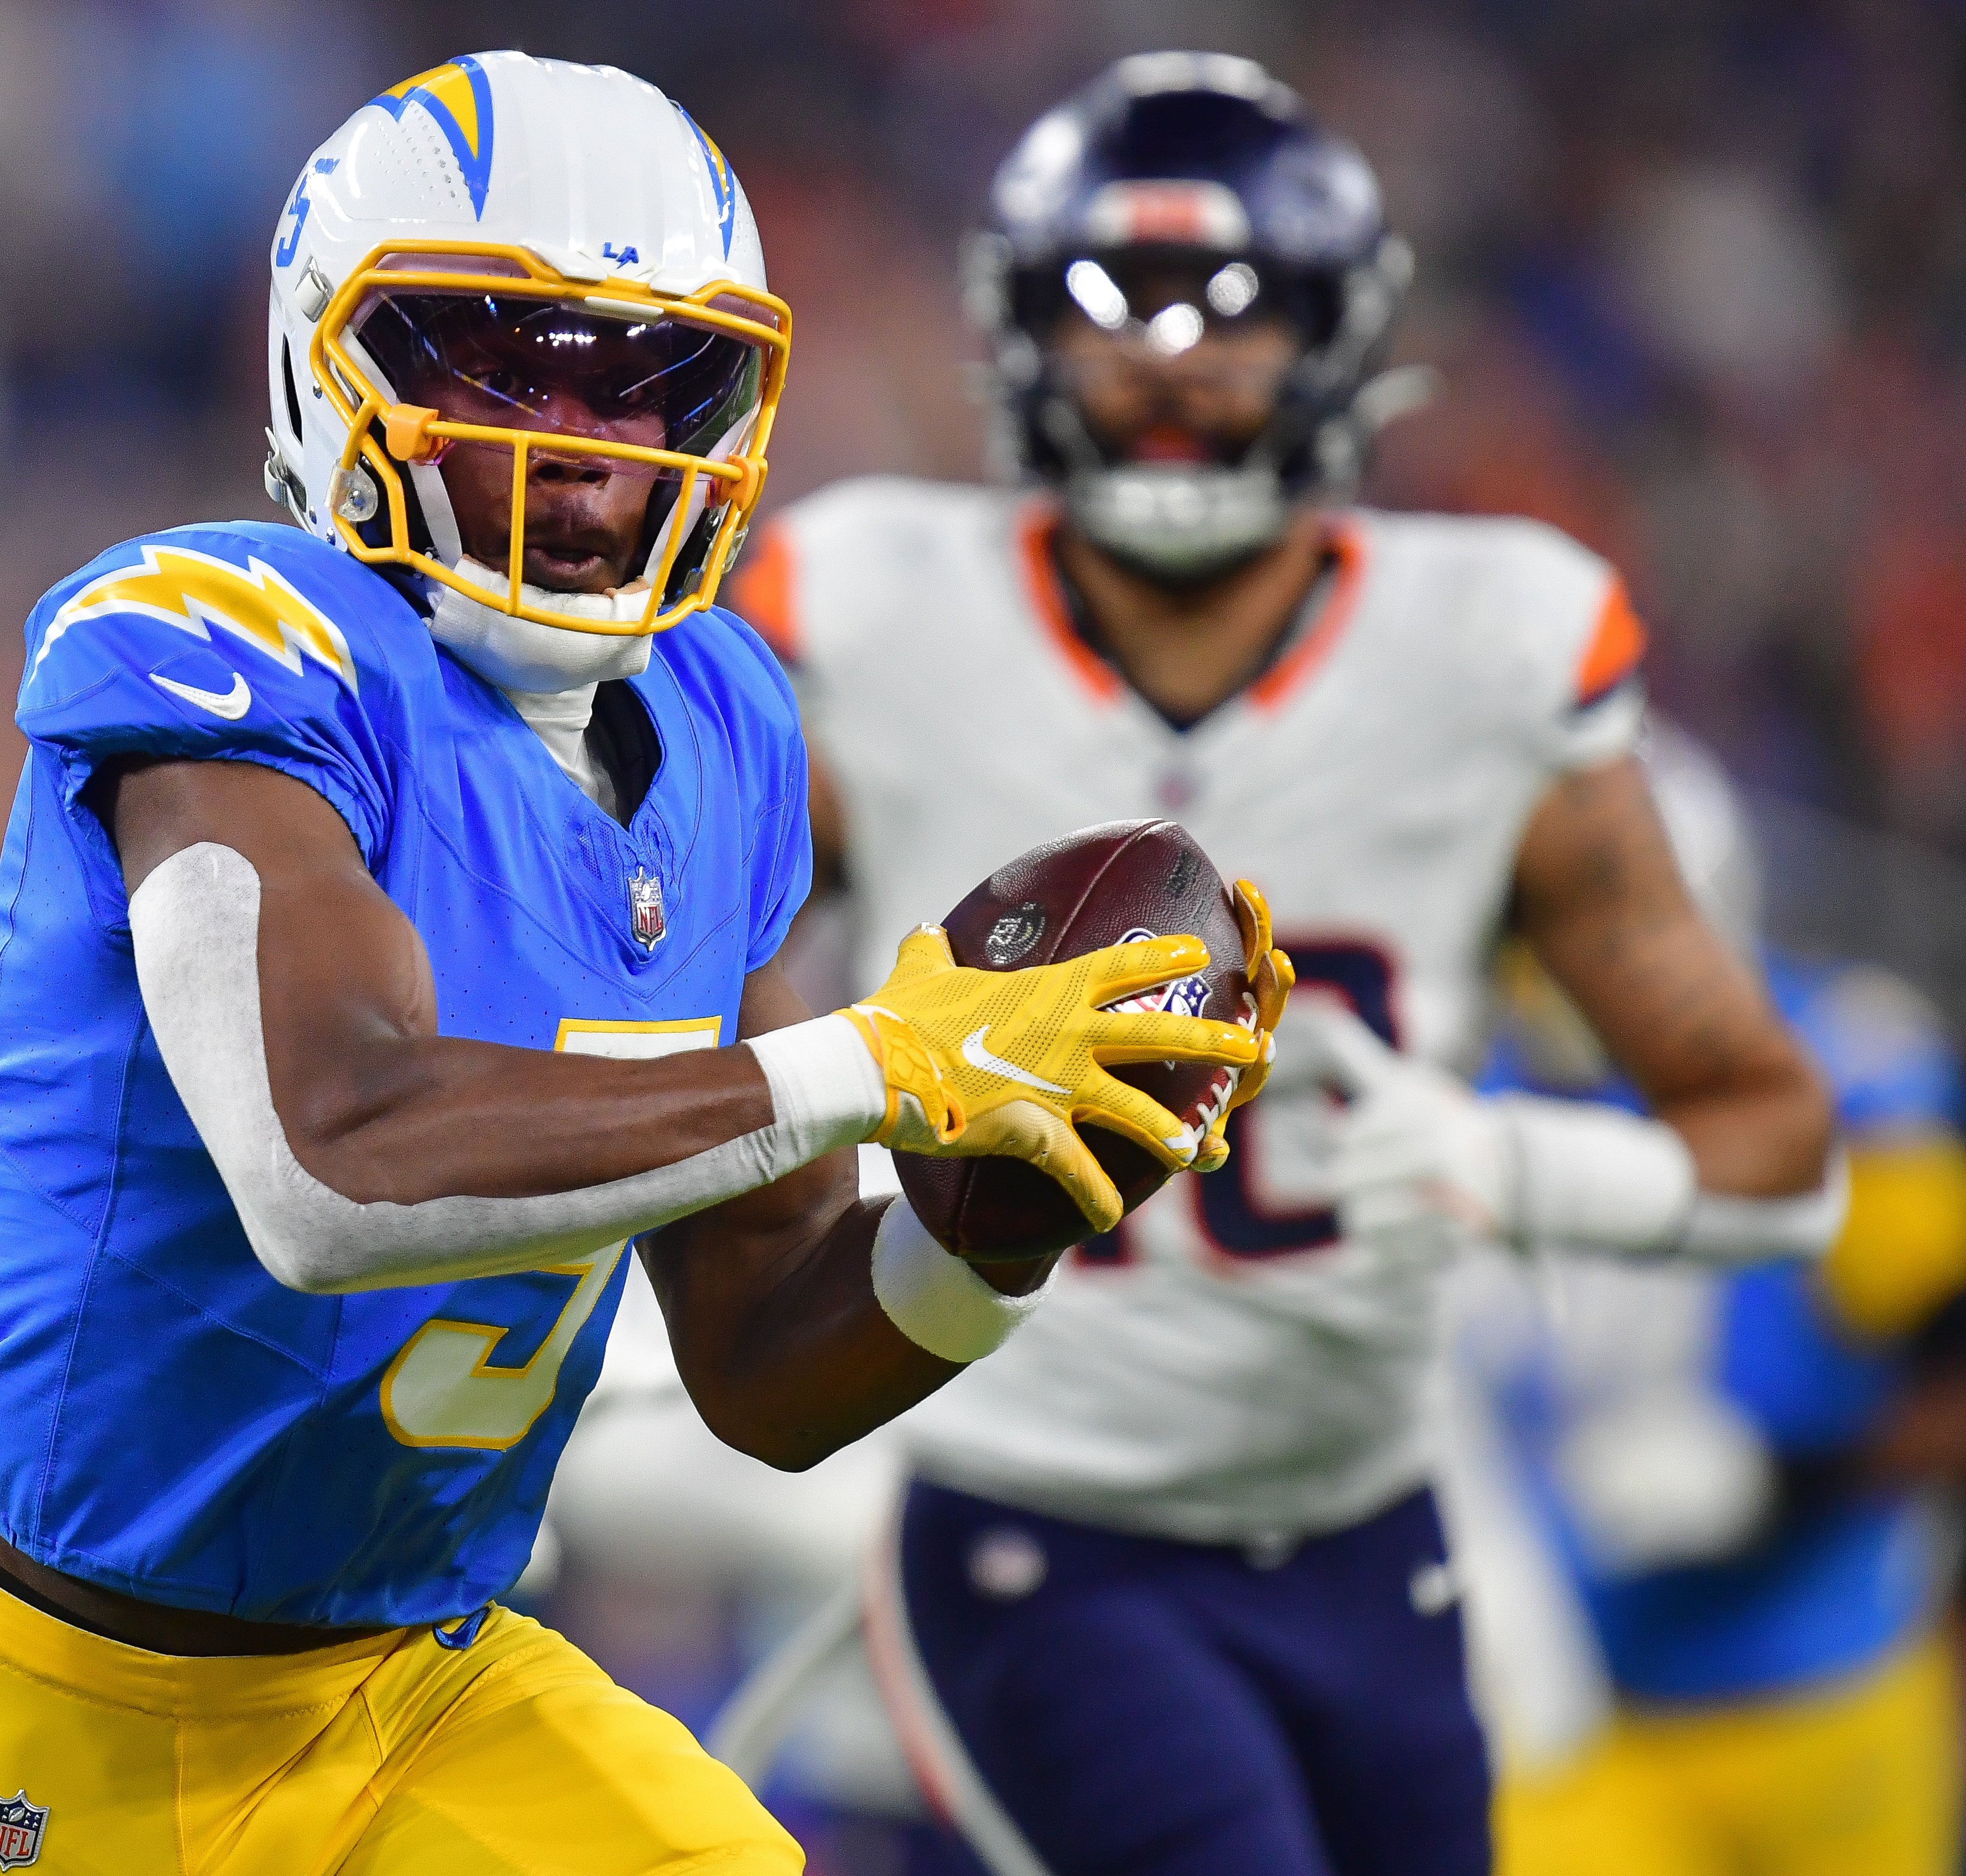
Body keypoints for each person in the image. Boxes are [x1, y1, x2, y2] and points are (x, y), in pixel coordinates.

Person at [0, 51, 1276, 1876]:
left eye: (651, 384)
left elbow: (762, 1358)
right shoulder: (224, 648)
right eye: (498, 365)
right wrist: (885, 1060)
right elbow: (326, 1162)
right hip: (71, 1685)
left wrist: (999, 1231)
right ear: (325, 370)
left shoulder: (730, 719)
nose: (583, 449)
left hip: (422, 1680)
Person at [727, 52, 1840, 1876]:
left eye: (1236, 313)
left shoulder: (1488, 648)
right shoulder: (871, 611)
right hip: (1035, 1520)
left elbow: (1775, 1140)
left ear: (1340, 341)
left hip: (1368, 1534)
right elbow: (699, 997)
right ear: (1016, 335)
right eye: (1110, 309)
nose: (1170, 362)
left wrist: (1512, 1165)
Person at [1464, 724, 1966, 1876]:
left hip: (1820, 1692)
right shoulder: (1467, 1083)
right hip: (1586, 1710)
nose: (1571, 967)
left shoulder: (1851, 1075)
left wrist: (1779, 1482)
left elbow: (1950, 1380)